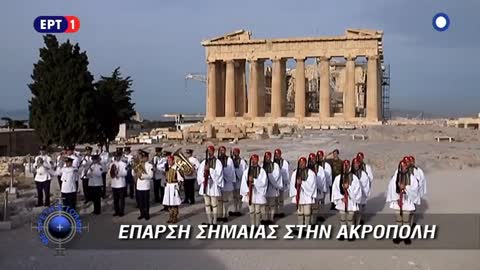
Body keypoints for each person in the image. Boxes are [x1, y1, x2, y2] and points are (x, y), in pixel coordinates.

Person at [386, 160, 420, 245]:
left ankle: (406, 236)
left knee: (406, 221)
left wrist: (406, 187)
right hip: (398, 201)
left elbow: (415, 189)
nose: (404, 168)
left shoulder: (411, 177)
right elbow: (391, 187)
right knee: (398, 220)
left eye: (405, 166)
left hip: (407, 201)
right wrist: (396, 197)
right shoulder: (396, 175)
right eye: (402, 166)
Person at [331, 160, 362, 241]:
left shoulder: (354, 178)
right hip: (342, 202)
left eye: (347, 166)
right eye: (344, 166)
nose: (346, 168)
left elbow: (357, 190)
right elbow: (335, 189)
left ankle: (351, 234)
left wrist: (349, 188)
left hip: (351, 201)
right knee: (342, 218)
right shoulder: (338, 178)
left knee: (350, 218)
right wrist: (341, 197)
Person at [197, 145, 224, 225]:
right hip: (205, 184)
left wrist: (210, 170)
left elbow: (219, 174)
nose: (209, 153)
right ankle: (209, 221)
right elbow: (199, 173)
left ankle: (215, 222)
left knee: (214, 204)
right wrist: (203, 176)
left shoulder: (217, 162)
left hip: (213, 185)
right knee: (207, 204)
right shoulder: (203, 162)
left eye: (210, 151)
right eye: (208, 151)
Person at [241, 154, 267, 226]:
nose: (253, 161)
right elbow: (243, 182)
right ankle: (253, 225)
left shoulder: (262, 171)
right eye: (252, 159)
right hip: (250, 193)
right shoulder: (247, 171)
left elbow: (263, 182)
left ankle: (257, 226)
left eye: (255, 159)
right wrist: (246, 191)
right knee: (252, 211)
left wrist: (254, 181)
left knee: (257, 211)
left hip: (258, 194)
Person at [289, 157, 317, 227]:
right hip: (300, 195)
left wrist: (302, 183)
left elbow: (312, 184)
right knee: (300, 213)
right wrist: (295, 194)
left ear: (306, 163)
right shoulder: (295, 173)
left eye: (303, 163)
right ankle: (300, 226)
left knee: (307, 213)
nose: (301, 164)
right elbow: (292, 184)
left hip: (307, 196)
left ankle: (307, 227)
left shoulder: (310, 173)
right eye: (300, 163)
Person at [262, 151, 282, 225]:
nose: (267, 158)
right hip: (265, 189)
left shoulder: (275, 165)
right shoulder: (262, 165)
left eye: (268, 157)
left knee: (272, 205)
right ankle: (266, 218)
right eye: (266, 157)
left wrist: (268, 176)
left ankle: (271, 218)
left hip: (272, 188)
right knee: (266, 205)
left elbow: (277, 176)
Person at [133, 149, 154, 220]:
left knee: (146, 202)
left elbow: (151, 176)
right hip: (139, 186)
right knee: (140, 202)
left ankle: (147, 214)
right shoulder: (138, 164)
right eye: (141, 157)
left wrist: (141, 175)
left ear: (147, 157)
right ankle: (142, 214)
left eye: (144, 157)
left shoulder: (149, 165)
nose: (142, 158)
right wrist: (134, 170)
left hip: (145, 186)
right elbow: (133, 173)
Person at [163, 155, 184, 224]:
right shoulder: (167, 168)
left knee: (174, 202)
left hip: (174, 186)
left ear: (173, 161)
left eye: (170, 161)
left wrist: (179, 185)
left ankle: (175, 216)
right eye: (168, 161)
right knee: (169, 202)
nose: (169, 162)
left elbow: (181, 178)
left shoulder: (177, 169)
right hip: (168, 186)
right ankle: (170, 216)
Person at [350, 157, 371, 225]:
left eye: (357, 163)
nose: (356, 165)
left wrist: (364, 195)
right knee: (352, 213)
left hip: (360, 196)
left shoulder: (363, 174)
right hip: (351, 196)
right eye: (354, 163)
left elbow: (366, 186)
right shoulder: (349, 174)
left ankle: (357, 225)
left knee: (358, 212)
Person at [307, 153, 326, 224]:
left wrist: (323, 190)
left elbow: (322, 180)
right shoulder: (307, 168)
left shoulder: (320, 168)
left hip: (317, 190)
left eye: (314, 159)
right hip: (309, 191)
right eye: (311, 159)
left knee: (315, 207)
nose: (312, 161)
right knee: (309, 208)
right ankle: (308, 221)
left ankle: (314, 221)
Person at [217, 146, 235, 222]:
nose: (222, 152)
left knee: (225, 200)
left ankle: (225, 214)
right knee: (219, 201)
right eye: (220, 150)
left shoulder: (229, 160)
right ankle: (219, 215)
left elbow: (231, 171)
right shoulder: (217, 160)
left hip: (226, 183)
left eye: (223, 150)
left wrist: (222, 171)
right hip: (218, 184)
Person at [109, 149, 128, 217]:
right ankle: (116, 211)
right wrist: (113, 174)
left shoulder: (123, 164)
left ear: (120, 156)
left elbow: (125, 173)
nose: (117, 157)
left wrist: (118, 174)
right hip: (114, 184)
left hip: (121, 184)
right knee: (115, 199)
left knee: (121, 199)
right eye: (116, 156)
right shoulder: (112, 163)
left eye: (118, 156)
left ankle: (121, 211)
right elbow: (110, 173)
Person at [315, 150, 332, 222]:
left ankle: (321, 214)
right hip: (315, 186)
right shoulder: (314, 164)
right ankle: (315, 215)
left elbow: (329, 176)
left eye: (320, 156)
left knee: (322, 201)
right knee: (316, 201)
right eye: (318, 156)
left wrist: (328, 186)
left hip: (323, 186)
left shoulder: (326, 165)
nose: (319, 158)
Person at [230, 148, 247, 217]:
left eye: (236, 152)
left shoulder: (242, 161)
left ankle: (239, 209)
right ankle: (235, 209)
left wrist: (237, 171)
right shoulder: (232, 161)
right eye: (234, 152)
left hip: (239, 182)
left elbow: (243, 172)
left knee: (239, 197)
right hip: (234, 182)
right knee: (234, 197)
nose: (235, 154)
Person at [273, 148, 289, 218]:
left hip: (281, 182)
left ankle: (281, 211)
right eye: (276, 154)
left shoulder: (284, 162)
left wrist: (286, 182)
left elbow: (286, 173)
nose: (277, 156)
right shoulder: (272, 162)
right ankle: (276, 212)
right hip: (274, 183)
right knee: (275, 199)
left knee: (281, 199)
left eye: (278, 154)